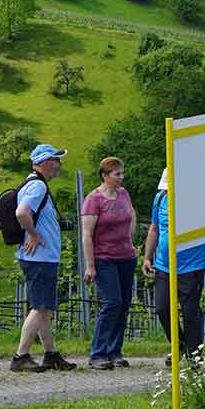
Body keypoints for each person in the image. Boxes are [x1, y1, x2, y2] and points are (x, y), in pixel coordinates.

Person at [10, 143, 76, 373]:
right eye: (57, 160)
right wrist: (35, 235)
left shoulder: (32, 183)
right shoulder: (38, 186)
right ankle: (21, 356)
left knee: (43, 307)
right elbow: (21, 213)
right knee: (39, 307)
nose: (59, 164)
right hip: (40, 257)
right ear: (46, 162)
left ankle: (50, 354)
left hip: (37, 257)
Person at [80, 156, 138, 370]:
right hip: (104, 258)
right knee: (112, 302)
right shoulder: (93, 200)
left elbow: (131, 215)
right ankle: (98, 352)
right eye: (117, 174)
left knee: (123, 304)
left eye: (122, 173)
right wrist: (90, 264)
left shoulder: (123, 194)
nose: (121, 178)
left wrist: (130, 239)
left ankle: (115, 350)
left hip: (126, 257)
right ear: (105, 176)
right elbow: (86, 234)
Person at [142, 168, 205, 356]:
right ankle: (178, 345)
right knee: (162, 309)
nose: (168, 192)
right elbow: (154, 228)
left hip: (192, 265)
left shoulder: (197, 199)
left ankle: (195, 355)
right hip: (164, 264)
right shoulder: (160, 199)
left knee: (190, 312)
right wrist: (147, 257)